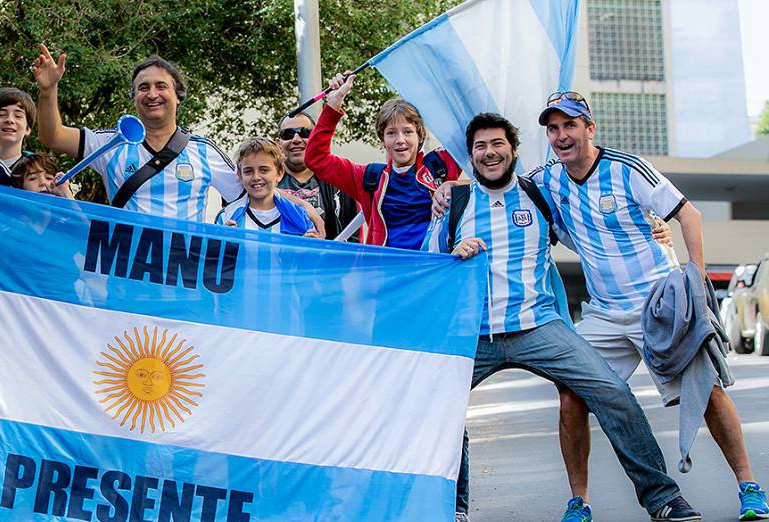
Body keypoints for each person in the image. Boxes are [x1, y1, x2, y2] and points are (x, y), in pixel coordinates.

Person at [426, 112, 701, 522]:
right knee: (436, 406)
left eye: (498, 143)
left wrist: (654, 229)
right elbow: (429, 266)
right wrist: (454, 253)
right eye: (480, 146)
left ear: (513, 150)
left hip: (539, 325)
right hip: (475, 333)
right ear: (471, 156)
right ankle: (454, 507)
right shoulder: (455, 204)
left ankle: (662, 497)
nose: (490, 152)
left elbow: (593, 228)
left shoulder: (540, 196)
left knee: (612, 392)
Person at [528, 91, 768, 521]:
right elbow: (501, 184)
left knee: (707, 391)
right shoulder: (548, 179)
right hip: (602, 312)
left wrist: (694, 277)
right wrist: (450, 188)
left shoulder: (626, 169)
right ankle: (578, 503)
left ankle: (750, 488)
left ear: (589, 128)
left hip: (657, 304)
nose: (561, 135)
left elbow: (688, 214)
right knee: (570, 396)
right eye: (553, 128)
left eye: (570, 125)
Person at [32, 44, 243, 219]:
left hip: (182, 268)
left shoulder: (205, 151)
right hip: (124, 267)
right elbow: (53, 136)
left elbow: (246, 198)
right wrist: (48, 91)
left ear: (178, 96)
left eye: (161, 86)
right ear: (134, 97)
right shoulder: (111, 143)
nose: (152, 94)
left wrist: (225, 226)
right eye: (143, 88)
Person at [304, 73, 465, 249]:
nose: (400, 140)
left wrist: (453, 84)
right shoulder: (369, 177)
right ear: (383, 140)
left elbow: (475, 135)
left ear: (420, 136)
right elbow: (316, 158)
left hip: (435, 270)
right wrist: (334, 104)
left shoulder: (439, 165)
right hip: (384, 272)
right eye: (391, 133)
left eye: (408, 132)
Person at [277, 112, 358, 240]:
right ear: (278, 143)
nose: (296, 140)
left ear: (315, 138)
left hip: (329, 259)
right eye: (288, 134)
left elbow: (354, 234)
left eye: (304, 133)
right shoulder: (265, 182)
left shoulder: (338, 179)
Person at [216, 137, 317, 237]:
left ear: (280, 173)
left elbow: (312, 251)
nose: (256, 177)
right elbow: (212, 252)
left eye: (264, 170)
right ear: (240, 175)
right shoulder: (226, 217)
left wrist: (309, 247)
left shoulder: (300, 217)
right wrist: (223, 242)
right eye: (248, 171)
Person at [0, 87, 36, 168]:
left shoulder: (38, 170)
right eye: (2, 114)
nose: (10, 120)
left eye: (18, 116)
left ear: (27, 128)